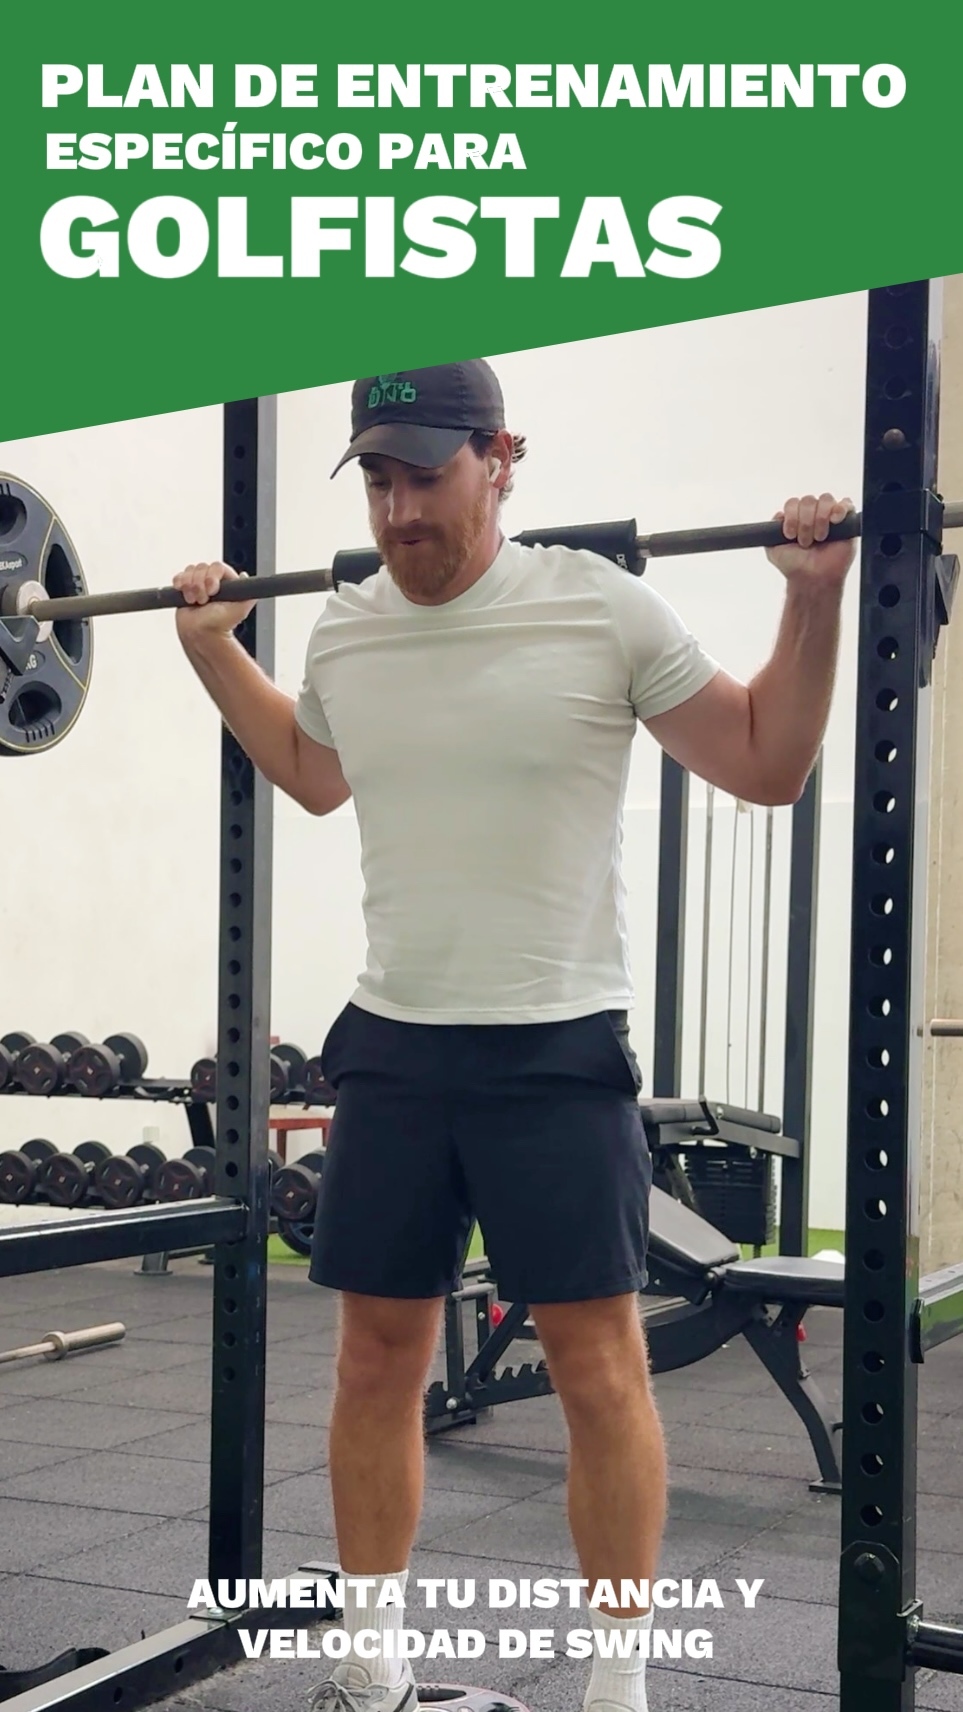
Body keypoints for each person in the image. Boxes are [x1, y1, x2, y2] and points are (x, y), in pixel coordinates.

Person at [175, 359, 856, 1712]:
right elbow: (313, 774)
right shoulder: (348, 630)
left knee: (598, 1370)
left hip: (553, 1049)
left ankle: (615, 1680)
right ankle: (370, 1659)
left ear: (502, 459)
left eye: (426, 475)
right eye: (378, 479)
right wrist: (213, 653)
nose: (400, 510)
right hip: (396, 1047)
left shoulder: (599, 607)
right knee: (376, 1358)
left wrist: (813, 599)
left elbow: (768, 763)